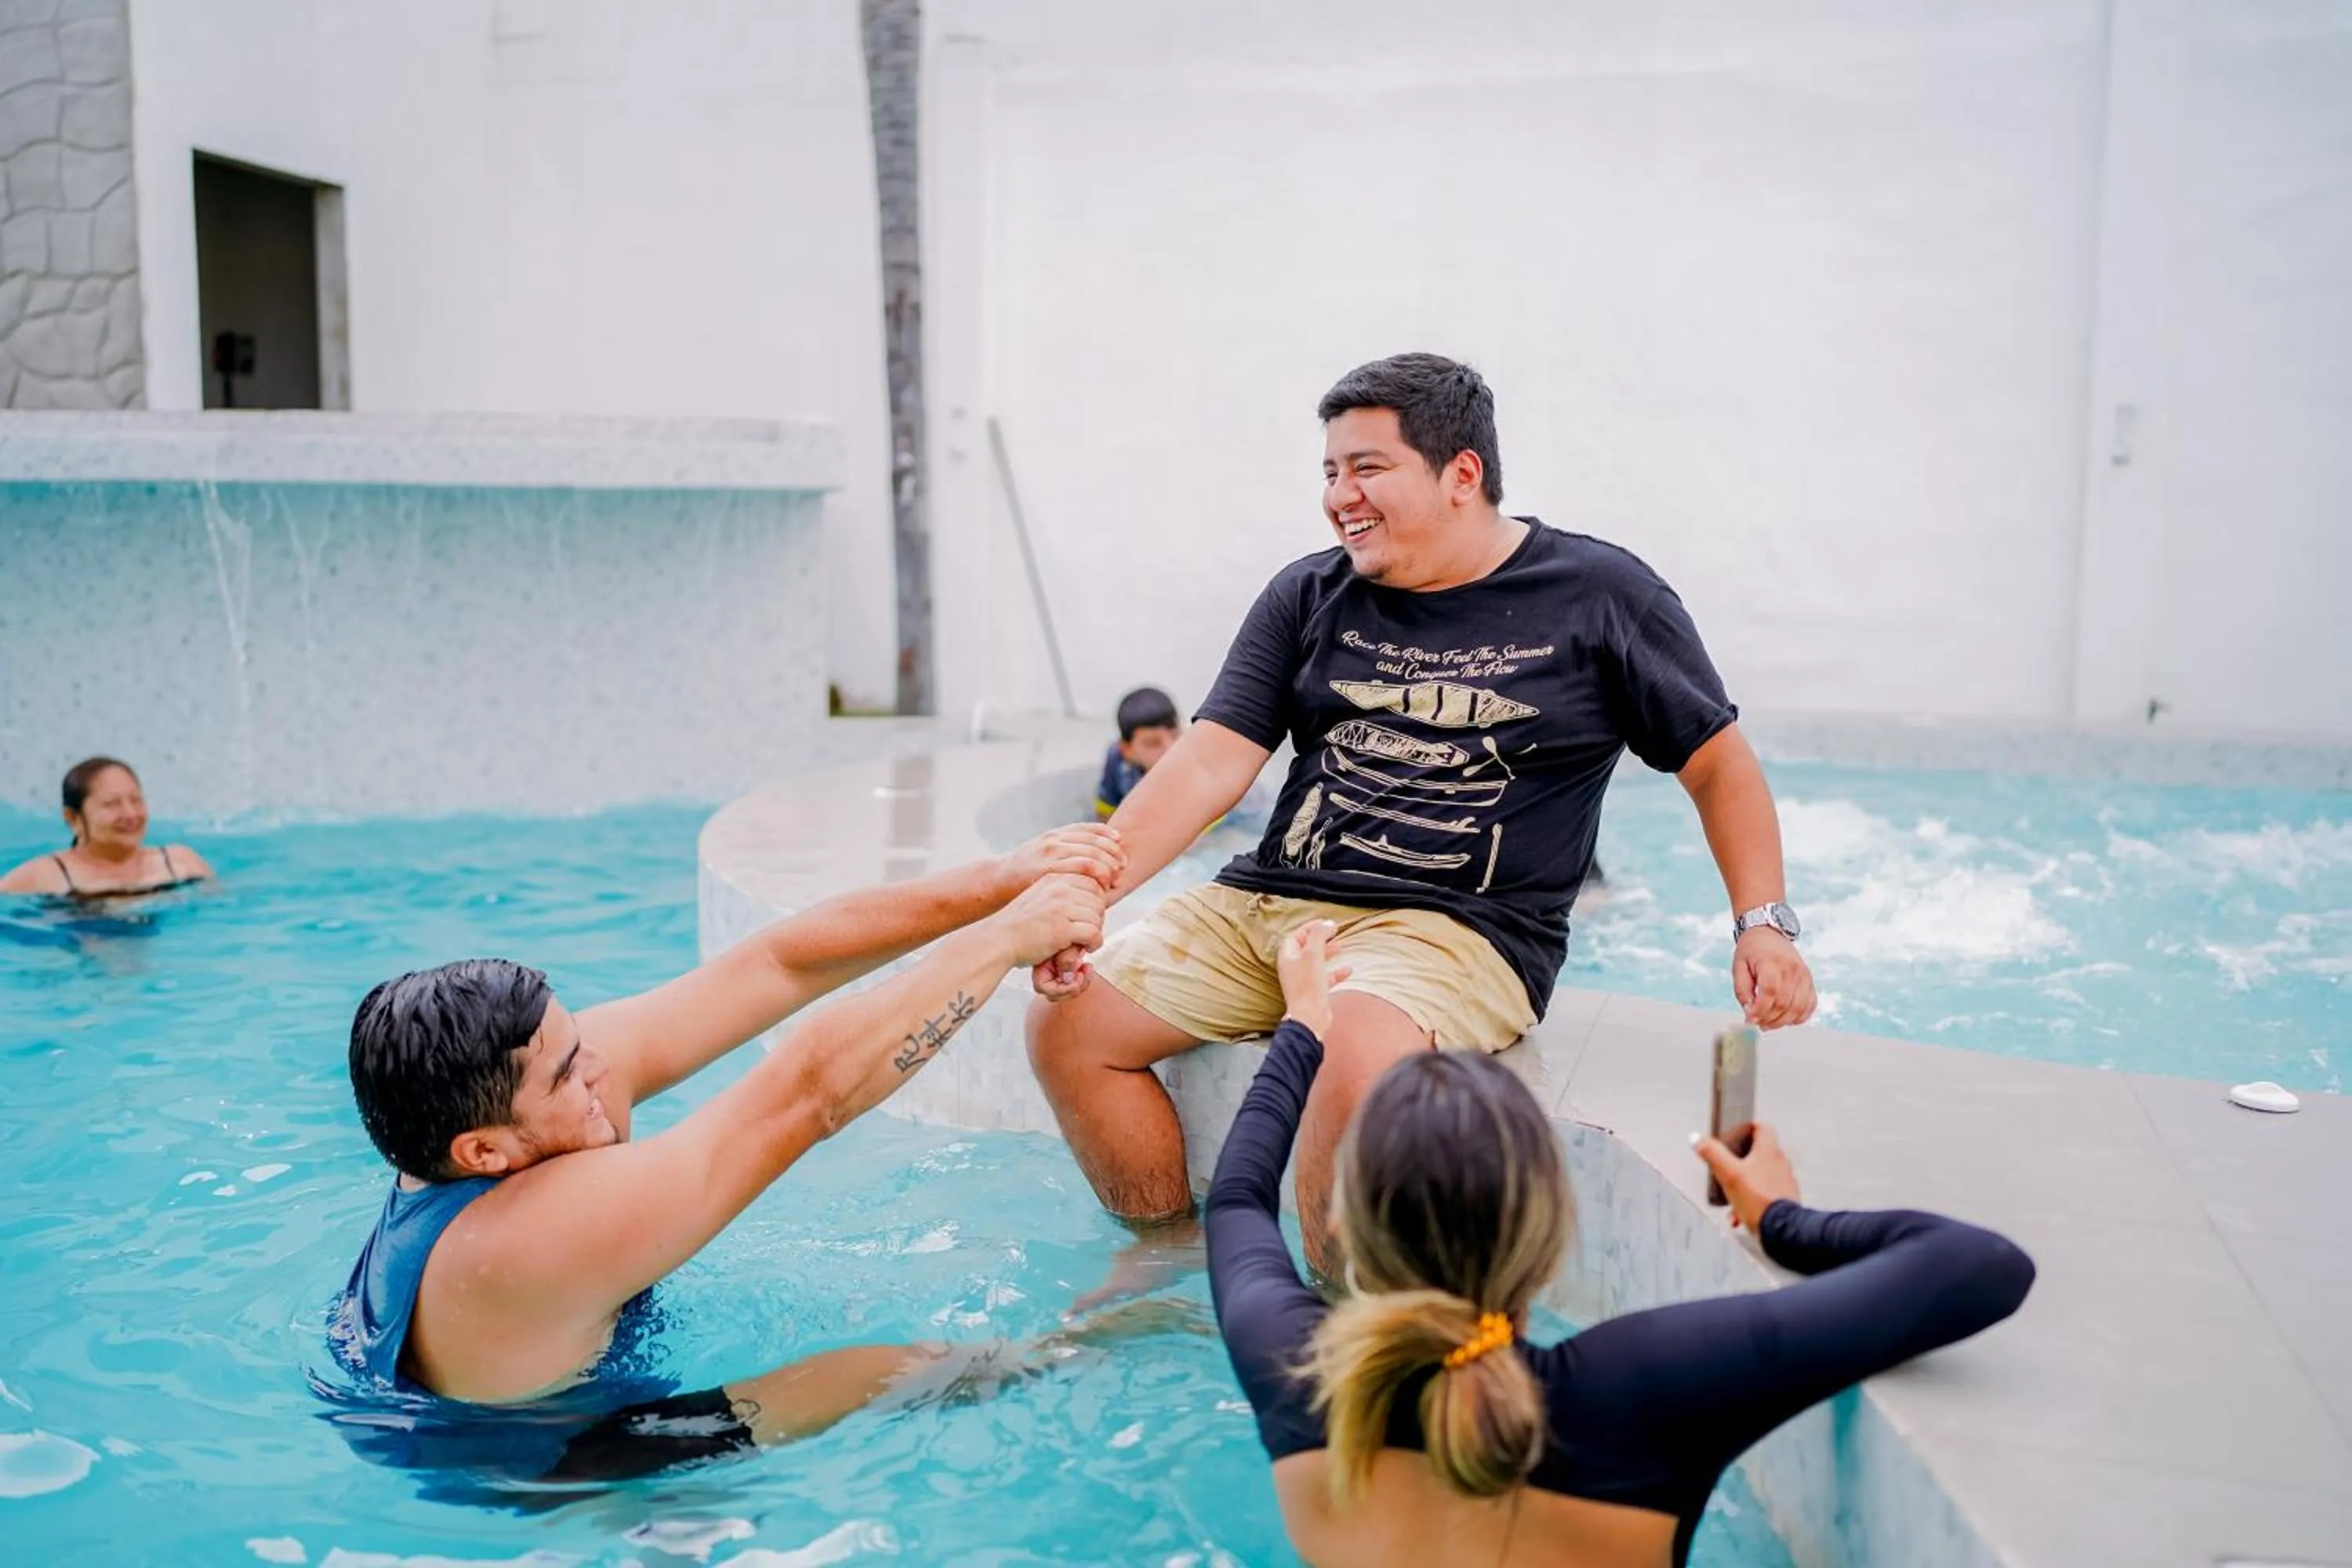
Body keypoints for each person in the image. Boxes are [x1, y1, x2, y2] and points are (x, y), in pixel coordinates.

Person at [1028, 353, 1816, 1274]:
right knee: (1066, 1024)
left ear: (1461, 475)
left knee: (1349, 1062)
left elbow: (1718, 763)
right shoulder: (1309, 593)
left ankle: (1330, 1336)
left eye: (1367, 467)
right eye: (1329, 470)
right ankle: (1166, 1264)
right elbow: (1208, 762)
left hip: (1458, 929)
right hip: (1269, 906)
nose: (1339, 495)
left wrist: (1762, 925)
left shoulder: (1601, 597)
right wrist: (1085, 893)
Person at [329, 824, 1168, 1479]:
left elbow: (773, 963)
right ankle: (1097, 1349)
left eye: (577, 1038)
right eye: (566, 1070)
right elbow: (808, 1096)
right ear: (482, 1150)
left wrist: (996, 885)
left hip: (519, 1375)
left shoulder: (532, 1093)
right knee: (880, 1372)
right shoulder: (524, 1238)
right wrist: (1005, 940)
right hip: (556, 1457)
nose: (600, 1066)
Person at [1208, 923, 2034, 1567]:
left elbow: (1239, 1197)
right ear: (1550, 1232)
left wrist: (1304, 1026)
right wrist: (1784, 1218)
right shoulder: (1644, 1384)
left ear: (1348, 1224)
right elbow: (1980, 1266)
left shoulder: (1292, 1365)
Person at [0, 757, 214, 898]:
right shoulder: (48, 875)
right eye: (112, 804)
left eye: (136, 800)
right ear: (73, 818)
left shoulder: (180, 864)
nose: (130, 814)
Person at [1097, 687, 1183, 818]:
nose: (1171, 749)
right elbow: (1106, 809)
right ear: (1128, 750)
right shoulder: (1116, 759)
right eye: (1153, 743)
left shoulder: (1196, 763)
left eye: (1175, 735)